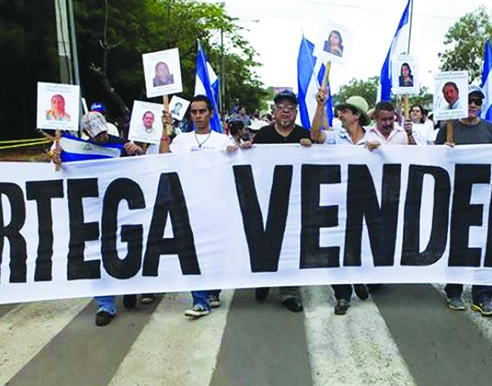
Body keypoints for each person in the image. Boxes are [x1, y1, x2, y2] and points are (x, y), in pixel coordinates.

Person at [52, 111, 145, 326]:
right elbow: (60, 170)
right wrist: (57, 159)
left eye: (103, 132)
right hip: (92, 210)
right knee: (96, 255)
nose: (101, 137)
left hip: (121, 208)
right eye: (96, 134)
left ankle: (129, 287)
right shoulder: (75, 149)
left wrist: (138, 153)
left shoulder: (121, 144)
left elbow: (143, 167)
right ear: (87, 133)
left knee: (126, 250)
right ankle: (105, 305)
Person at [160, 95, 242, 317]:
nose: (198, 116)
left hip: (217, 206)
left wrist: (236, 151)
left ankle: (212, 292)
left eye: (202, 111)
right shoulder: (182, 140)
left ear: (210, 113)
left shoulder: (222, 140)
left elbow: (238, 160)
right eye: (194, 112)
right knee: (192, 253)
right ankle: (200, 301)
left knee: (214, 254)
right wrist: (164, 131)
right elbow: (163, 159)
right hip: (189, 204)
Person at [435, 87, 492, 315]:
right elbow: (434, 160)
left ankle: (483, 296)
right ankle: (454, 291)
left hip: (483, 195)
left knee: (485, 246)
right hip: (455, 196)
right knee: (458, 245)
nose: (473, 105)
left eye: (478, 102)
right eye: (469, 101)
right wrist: (444, 150)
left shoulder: (489, 129)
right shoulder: (447, 128)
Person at [251, 89, 318, 312]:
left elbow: (320, 161)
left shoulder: (305, 134)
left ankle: (289, 291)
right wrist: (241, 150)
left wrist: (311, 149)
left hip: (297, 198)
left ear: (296, 112)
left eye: (290, 108)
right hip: (268, 196)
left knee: (291, 245)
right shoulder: (262, 135)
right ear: (274, 111)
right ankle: (263, 282)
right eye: (281, 108)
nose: (286, 112)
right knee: (264, 243)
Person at [311, 89, 372, 315]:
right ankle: (343, 295)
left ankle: (359, 278)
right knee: (334, 249)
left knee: (359, 246)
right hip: (336, 201)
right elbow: (316, 135)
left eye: (345, 111)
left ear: (357, 115)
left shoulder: (372, 138)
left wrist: (378, 151)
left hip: (364, 203)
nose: (341, 115)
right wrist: (320, 106)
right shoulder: (336, 136)